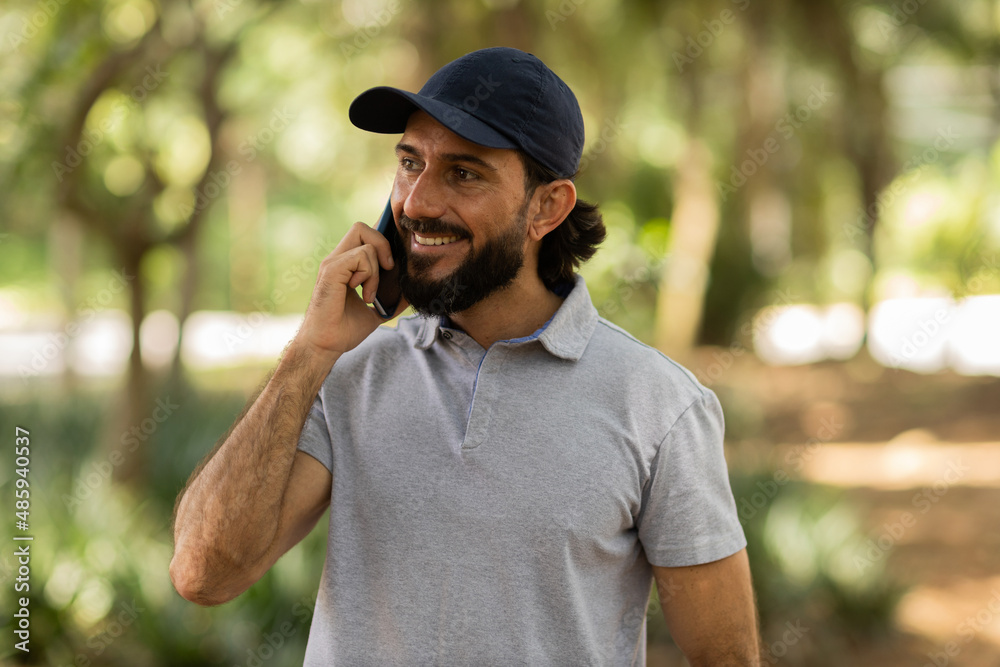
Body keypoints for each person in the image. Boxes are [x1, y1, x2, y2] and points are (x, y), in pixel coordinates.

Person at [170, 46, 760, 666]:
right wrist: (310, 352)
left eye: (464, 173)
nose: (418, 203)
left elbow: (726, 658)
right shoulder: (346, 371)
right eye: (410, 163)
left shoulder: (660, 404)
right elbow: (204, 575)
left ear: (547, 208)